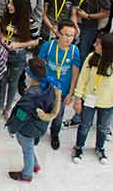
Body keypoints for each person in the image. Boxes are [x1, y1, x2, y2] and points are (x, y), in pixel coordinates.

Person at [71, 33, 113, 165]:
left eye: (98, 44)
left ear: (106, 47)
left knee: (103, 128)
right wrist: (77, 99)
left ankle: (100, 148)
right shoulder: (91, 57)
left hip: (107, 104)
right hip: (89, 100)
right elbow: (83, 79)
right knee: (84, 126)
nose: (94, 45)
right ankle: (78, 147)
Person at [6, 57, 61, 182]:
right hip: (39, 125)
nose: (25, 75)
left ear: (31, 76)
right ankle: (35, 165)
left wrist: (11, 128)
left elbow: (20, 116)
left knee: (27, 150)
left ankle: (27, 174)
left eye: (26, 72)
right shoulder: (48, 86)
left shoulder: (30, 97)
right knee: (29, 147)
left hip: (28, 129)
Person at [38, 21, 81, 150]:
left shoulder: (74, 51)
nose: (69, 39)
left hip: (62, 92)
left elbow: (75, 74)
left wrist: (70, 93)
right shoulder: (48, 46)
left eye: (72, 36)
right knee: (43, 112)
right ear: (58, 33)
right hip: (46, 89)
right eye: (66, 35)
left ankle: (55, 134)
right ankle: (39, 131)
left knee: (58, 116)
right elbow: (39, 66)